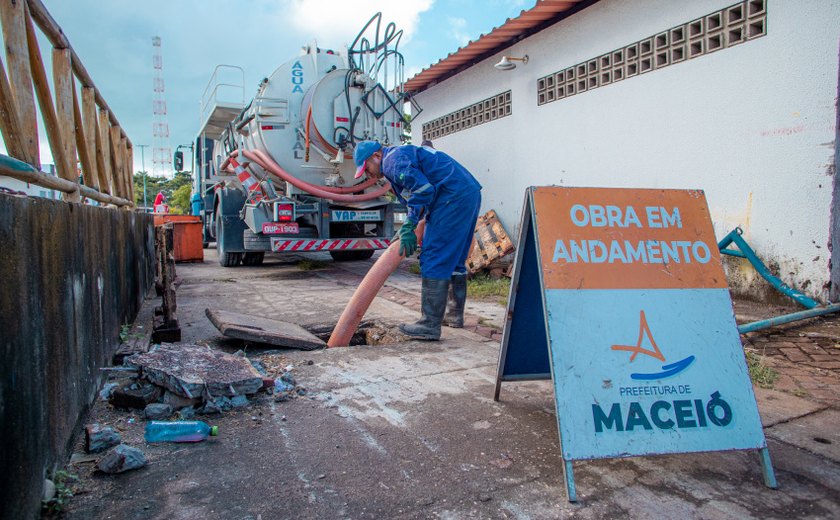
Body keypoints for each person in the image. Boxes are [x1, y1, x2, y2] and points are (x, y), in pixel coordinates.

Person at [353, 140, 482, 340]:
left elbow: (422, 190)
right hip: (466, 193)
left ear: (376, 157)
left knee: (434, 256)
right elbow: (418, 194)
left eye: (366, 168)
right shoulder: (399, 157)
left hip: (451, 197)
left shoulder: (391, 161)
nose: (368, 174)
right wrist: (410, 224)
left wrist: (410, 223)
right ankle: (454, 315)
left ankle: (429, 324)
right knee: (455, 259)